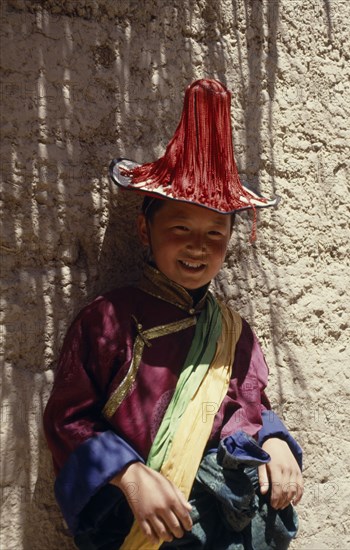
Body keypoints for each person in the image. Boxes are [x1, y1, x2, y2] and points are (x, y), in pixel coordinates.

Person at [43, 79, 303, 550]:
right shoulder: (108, 321)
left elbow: (250, 405)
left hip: (224, 524)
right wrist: (129, 475)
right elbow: (69, 420)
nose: (197, 247)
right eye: (180, 227)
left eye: (215, 234)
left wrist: (276, 439)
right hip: (144, 526)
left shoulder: (233, 331)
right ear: (144, 229)